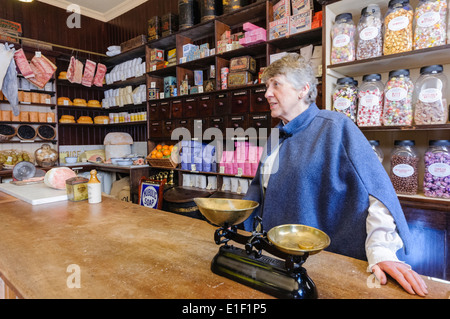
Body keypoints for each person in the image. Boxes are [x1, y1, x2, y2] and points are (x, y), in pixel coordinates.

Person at [243, 53, 428, 297]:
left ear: (303, 89)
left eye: (276, 84)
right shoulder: (277, 135)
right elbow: (260, 192)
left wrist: (381, 250)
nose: (267, 93)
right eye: (266, 86)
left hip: (321, 269)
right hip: (274, 262)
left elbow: (378, 192)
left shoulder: (336, 126)